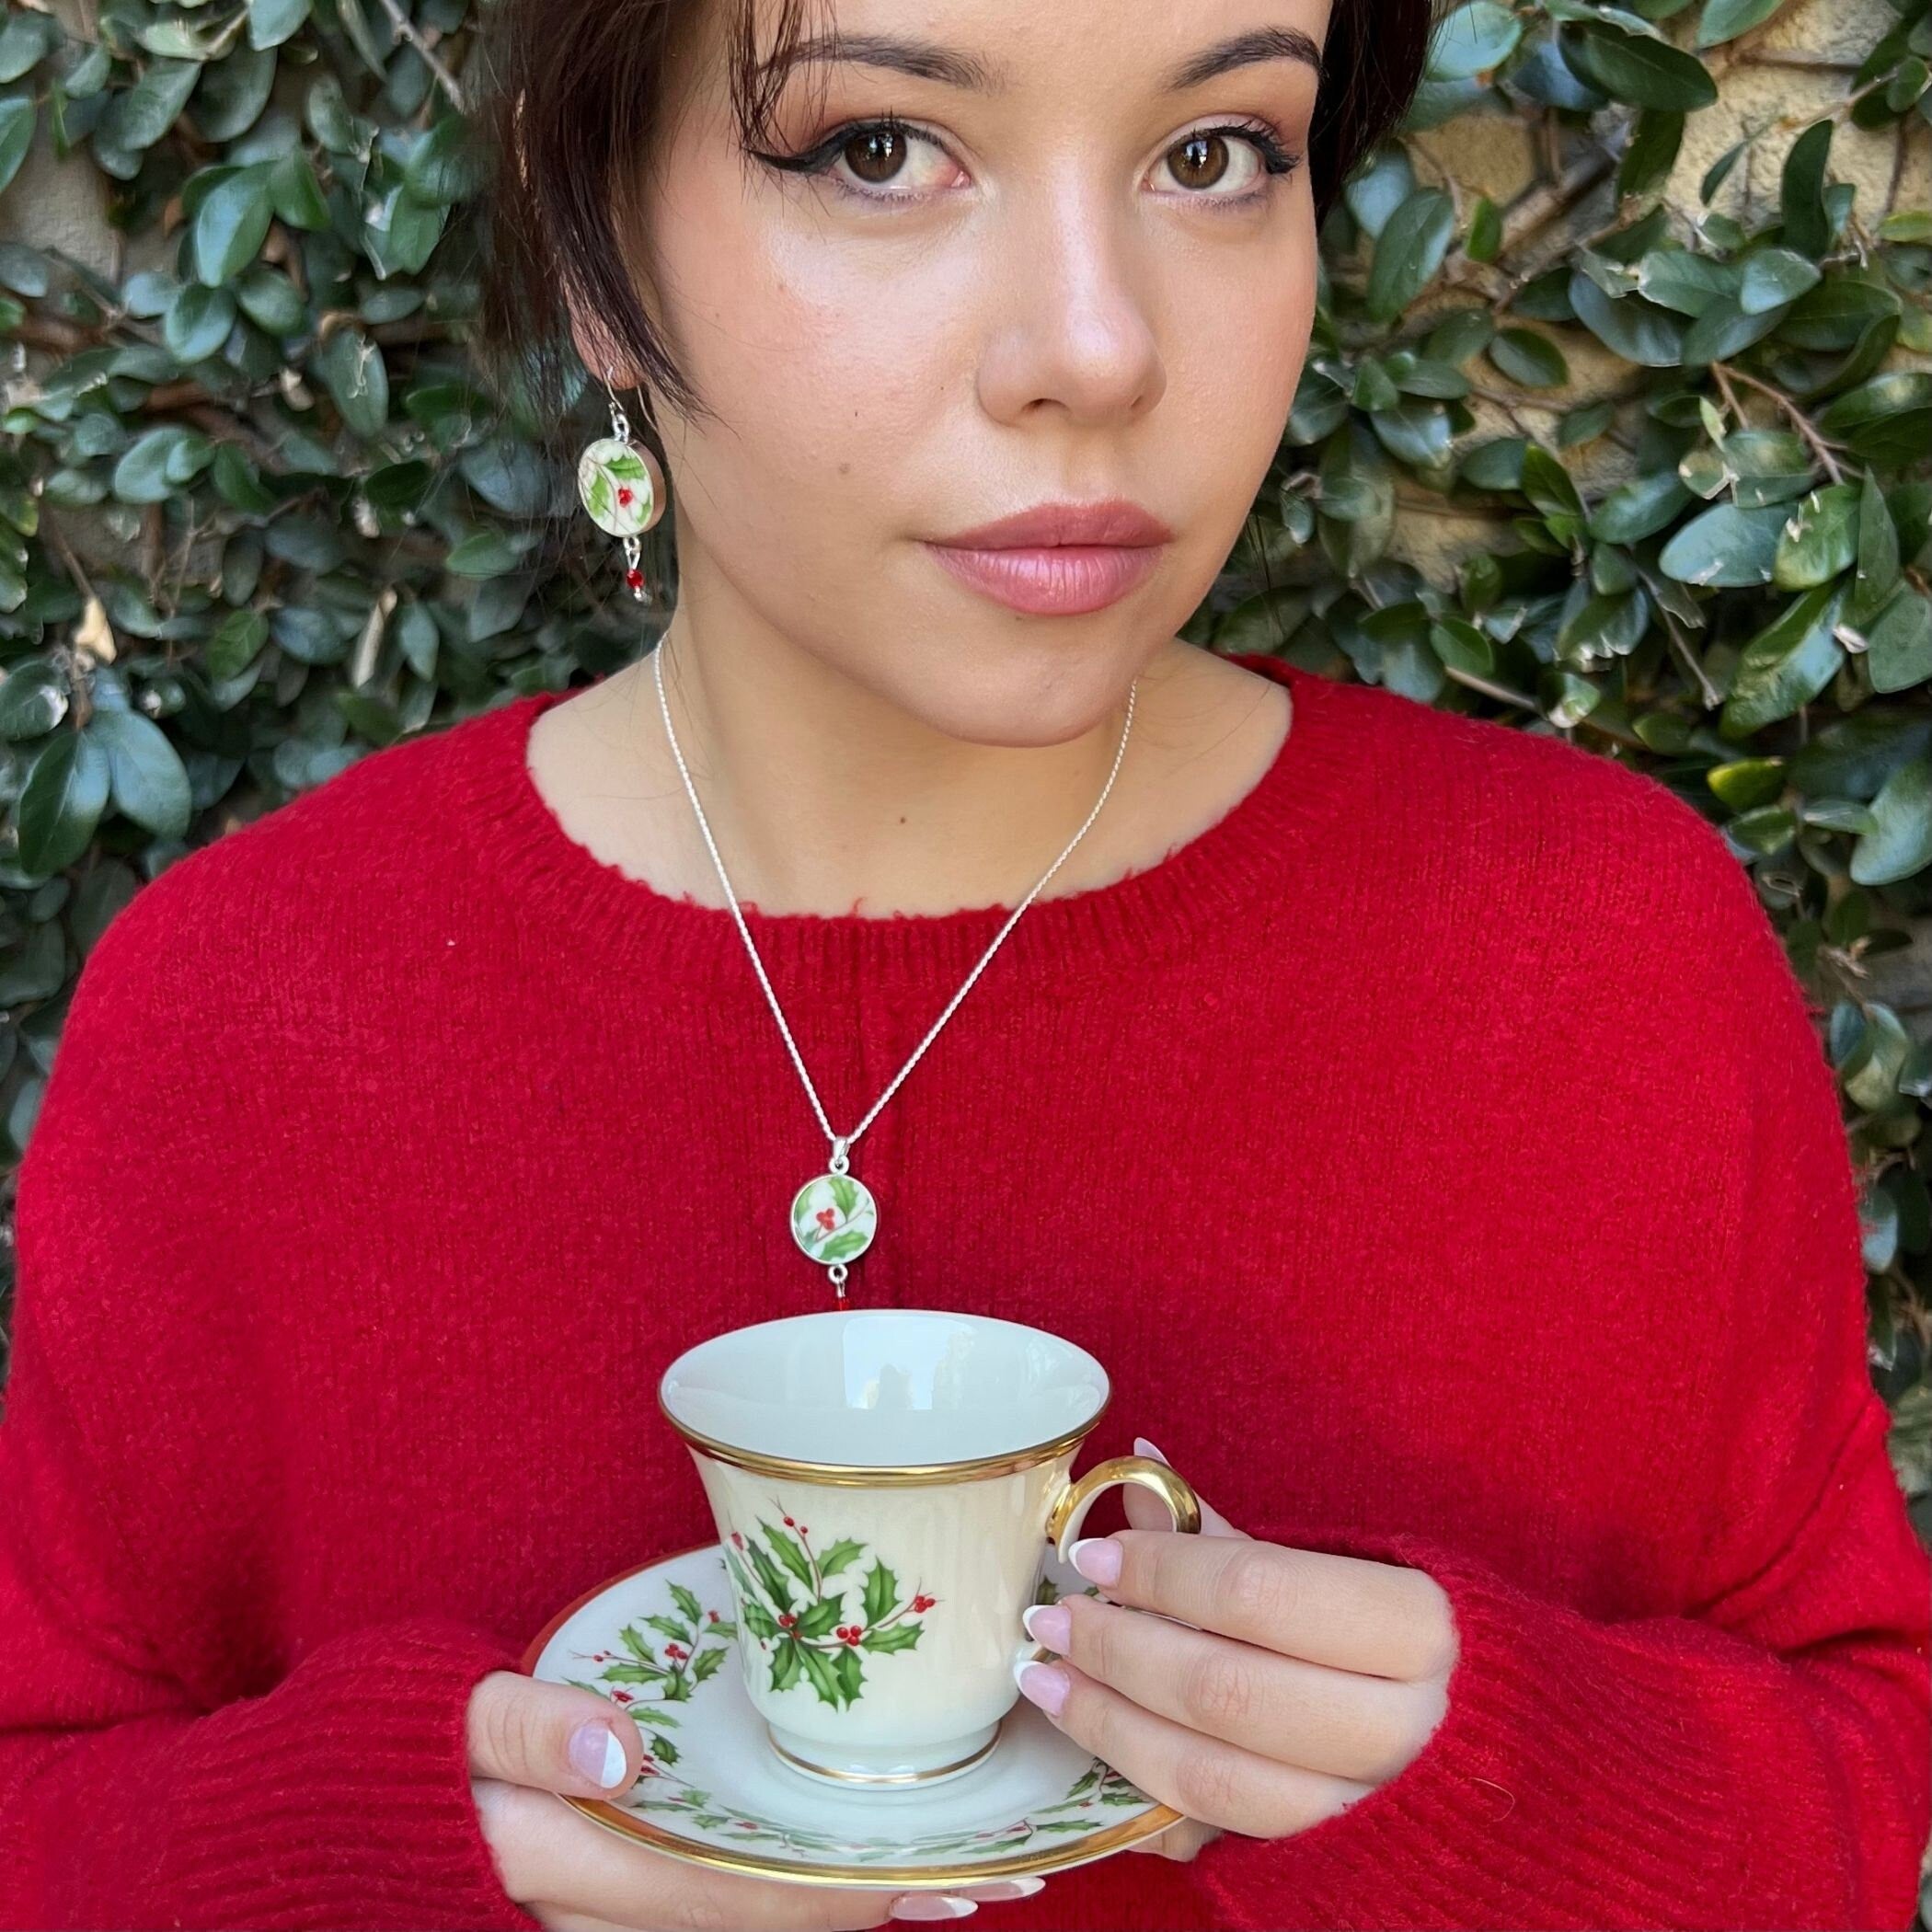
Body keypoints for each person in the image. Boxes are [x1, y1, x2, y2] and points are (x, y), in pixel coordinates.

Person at [2, 0, 1926, 1926]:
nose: (1098, 348)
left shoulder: (1600, 960)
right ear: (591, 243)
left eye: (1215, 155)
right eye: (877, 149)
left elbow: (1865, 1762)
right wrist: (364, 1857)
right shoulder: (236, 1017)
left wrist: (1525, 1793)